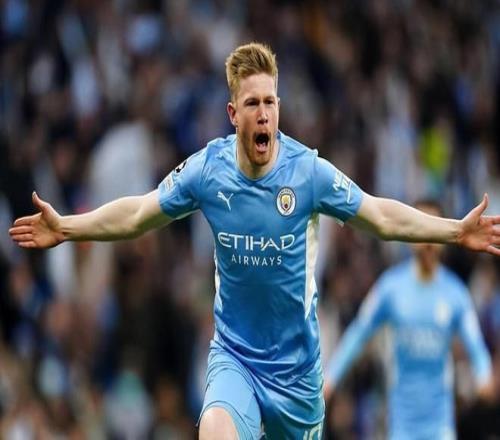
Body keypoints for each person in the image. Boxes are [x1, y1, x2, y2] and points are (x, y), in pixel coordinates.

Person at [8, 42, 500, 439]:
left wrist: (455, 231)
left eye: (270, 102)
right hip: (236, 359)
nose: (264, 114)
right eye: (252, 104)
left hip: (297, 377)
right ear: (232, 113)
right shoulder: (208, 170)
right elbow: (139, 213)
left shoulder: (308, 172)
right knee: (215, 430)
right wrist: (67, 227)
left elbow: (380, 215)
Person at [324, 200, 494, 439]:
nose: (428, 239)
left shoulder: (455, 293)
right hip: (402, 426)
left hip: (440, 426)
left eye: (434, 228)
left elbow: (476, 345)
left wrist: (484, 375)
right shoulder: (391, 288)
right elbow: (358, 333)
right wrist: (331, 377)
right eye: (422, 227)